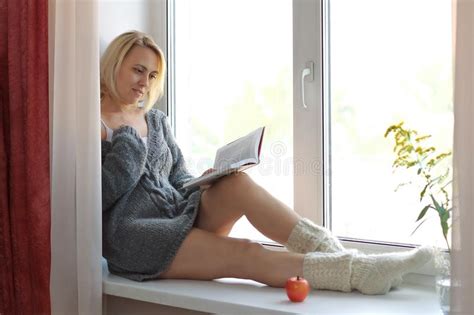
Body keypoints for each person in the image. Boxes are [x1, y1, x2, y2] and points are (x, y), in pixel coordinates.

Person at [100, 30, 433, 295]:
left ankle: (343, 255)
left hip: (174, 214)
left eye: (153, 74)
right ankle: (358, 273)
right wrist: (128, 142)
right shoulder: (93, 121)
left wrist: (200, 182)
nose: (145, 81)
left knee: (235, 184)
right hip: (137, 237)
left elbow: (175, 178)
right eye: (138, 70)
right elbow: (101, 195)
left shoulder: (155, 120)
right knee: (246, 251)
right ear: (115, 63)